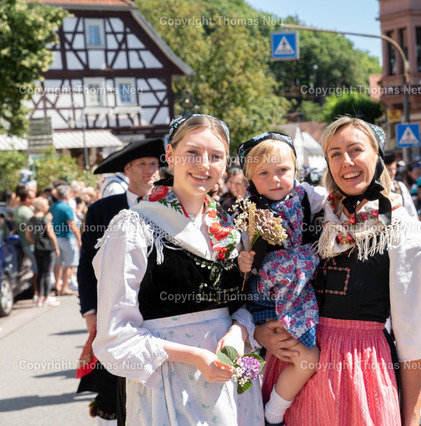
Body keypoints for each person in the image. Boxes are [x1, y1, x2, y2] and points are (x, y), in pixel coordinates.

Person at [255, 117, 421, 425]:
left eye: (355, 150)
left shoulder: (402, 231)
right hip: (295, 370)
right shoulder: (312, 216)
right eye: (334, 153)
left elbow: (414, 342)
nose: (346, 161)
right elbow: (265, 283)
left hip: (362, 376)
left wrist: (411, 420)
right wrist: (261, 332)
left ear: (376, 154)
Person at [92, 114, 263, 424]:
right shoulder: (135, 228)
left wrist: (238, 332)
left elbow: (248, 300)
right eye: (192, 153)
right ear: (170, 155)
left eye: (216, 156)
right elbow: (114, 335)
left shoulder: (232, 228)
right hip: (167, 383)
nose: (204, 165)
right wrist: (193, 355)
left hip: (229, 384)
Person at [236, 132, 326, 425]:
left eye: (283, 170)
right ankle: (270, 414)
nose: (275, 179)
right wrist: (242, 260)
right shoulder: (249, 211)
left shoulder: (306, 195)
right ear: (250, 178)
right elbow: (238, 252)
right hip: (269, 297)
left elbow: (335, 201)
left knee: (289, 355)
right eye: (263, 173)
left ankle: (258, 407)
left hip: (299, 292)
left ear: (295, 169)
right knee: (303, 358)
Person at [77, 137, 164, 424]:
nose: (150, 170)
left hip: (159, 312)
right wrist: (90, 312)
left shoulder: (169, 206)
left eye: (154, 164)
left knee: (155, 386)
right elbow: (86, 266)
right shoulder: (101, 210)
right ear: (127, 169)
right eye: (142, 164)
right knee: (111, 385)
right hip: (114, 312)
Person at [26, 197, 60, 307]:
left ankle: (40, 297)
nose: (48, 207)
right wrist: (56, 247)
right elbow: (51, 234)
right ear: (42, 207)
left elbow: (28, 236)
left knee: (40, 272)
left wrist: (36, 241)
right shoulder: (45, 219)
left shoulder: (31, 220)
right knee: (47, 273)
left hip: (37, 248)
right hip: (48, 248)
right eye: (46, 205)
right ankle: (45, 296)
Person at [51, 184, 82, 296]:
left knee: (58, 264)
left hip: (55, 239)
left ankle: (58, 286)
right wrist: (79, 239)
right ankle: (64, 287)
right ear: (67, 194)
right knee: (70, 264)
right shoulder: (66, 207)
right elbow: (72, 225)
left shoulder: (53, 206)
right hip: (67, 238)